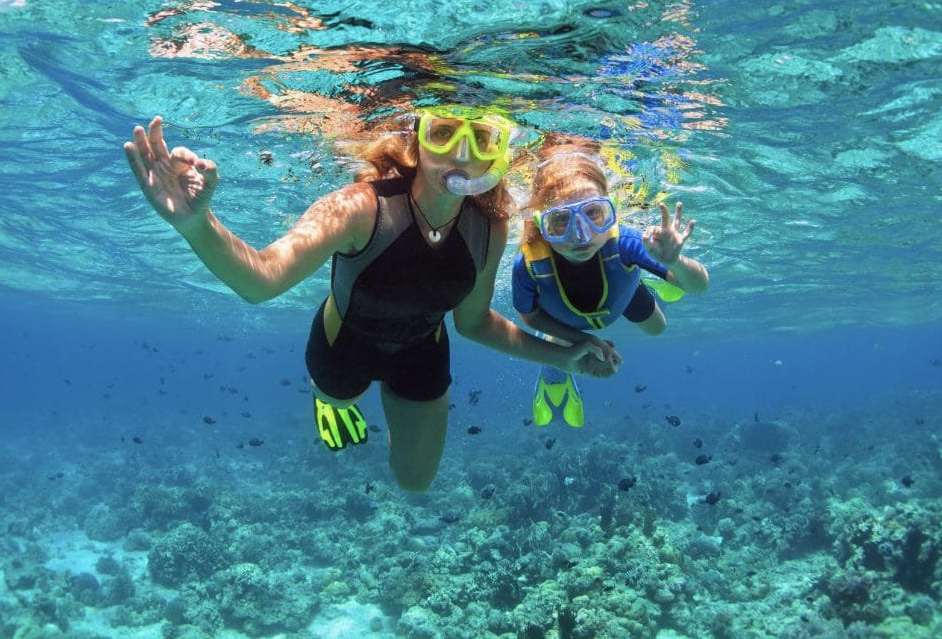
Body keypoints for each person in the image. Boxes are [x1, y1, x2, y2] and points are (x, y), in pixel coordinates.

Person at [124, 109, 617, 491]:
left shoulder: (490, 227)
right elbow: (262, 280)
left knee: (415, 482)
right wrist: (196, 224)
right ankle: (328, 400)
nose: (462, 153)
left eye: (482, 139)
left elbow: (474, 323)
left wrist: (564, 357)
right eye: (444, 133)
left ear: (497, 155)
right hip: (343, 346)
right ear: (417, 141)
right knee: (339, 397)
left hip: (423, 352)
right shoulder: (360, 206)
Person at [512, 141, 709, 428]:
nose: (581, 235)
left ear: (611, 210)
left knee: (658, 328)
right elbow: (528, 316)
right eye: (561, 220)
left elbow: (699, 287)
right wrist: (582, 340)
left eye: (593, 213)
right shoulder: (529, 265)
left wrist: (675, 262)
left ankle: (655, 275)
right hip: (563, 319)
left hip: (623, 292)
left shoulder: (625, 242)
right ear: (541, 224)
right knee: (562, 345)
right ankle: (554, 376)